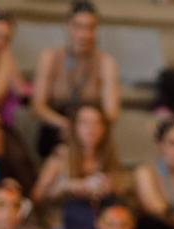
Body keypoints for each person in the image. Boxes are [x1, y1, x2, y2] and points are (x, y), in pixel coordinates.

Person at [31, 1, 119, 158]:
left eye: (90, 27)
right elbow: (38, 106)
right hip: (57, 126)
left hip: (92, 130)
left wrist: (88, 127)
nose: (84, 34)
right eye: (78, 27)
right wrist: (67, 125)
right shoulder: (50, 57)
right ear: (68, 26)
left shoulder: (106, 62)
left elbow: (111, 112)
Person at [34, 104, 123, 229]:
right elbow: (37, 196)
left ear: (104, 128)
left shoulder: (108, 158)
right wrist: (67, 186)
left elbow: (121, 190)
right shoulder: (61, 156)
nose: (91, 128)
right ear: (74, 126)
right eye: (84, 122)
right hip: (62, 223)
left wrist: (109, 188)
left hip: (99, 221)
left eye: (97, 122)